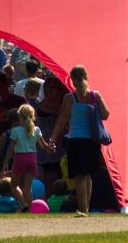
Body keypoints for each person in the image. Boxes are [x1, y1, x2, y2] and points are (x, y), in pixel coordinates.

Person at [49, 64, 109, 217]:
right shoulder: (95, 96)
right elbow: (106, 114)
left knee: (79, 176)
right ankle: (86, 208)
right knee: (88, 176)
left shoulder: (70, 98)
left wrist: (52, 139)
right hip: (92, 140)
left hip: (76, 139)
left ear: (72, 80)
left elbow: (61, 121)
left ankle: (83, 209)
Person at [2, 103, 48, 211]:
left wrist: (5, 164)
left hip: (20, 158)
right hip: (32, 158)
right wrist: (51, 148)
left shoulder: (16, 130)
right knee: (27, 188)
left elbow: (10, 149)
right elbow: (44, 146)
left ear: (20, 116)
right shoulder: (36, 129)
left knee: (13, 185)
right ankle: (31, 209)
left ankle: (23, 203)